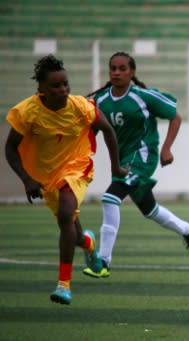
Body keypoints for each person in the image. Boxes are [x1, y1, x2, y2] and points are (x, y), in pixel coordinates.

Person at [4, 54, 127, 305]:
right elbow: (10, 149)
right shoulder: (26, 112)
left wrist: (116, 167)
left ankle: (64, 285)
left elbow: (108, 130)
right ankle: (89, 243)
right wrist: (27, 180)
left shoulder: (81, 106)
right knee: (71, 228)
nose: (63, 90)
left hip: (77, 166)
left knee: (65, 213)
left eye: (65, 84)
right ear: (41, 89)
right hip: (46, 176)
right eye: (55, 86)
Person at [82, 51, 189, 279]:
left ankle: (104, 262)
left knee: (110, 198)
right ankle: (188, 230)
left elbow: (175, 116)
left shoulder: (143, 97)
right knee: (150, 210)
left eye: (122, 68)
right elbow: (90, 132)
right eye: (113, 68)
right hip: (122, 161)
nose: (117, 72)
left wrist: (166, 148)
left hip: (143, 157)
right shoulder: (101, 101)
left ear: (132, 72)